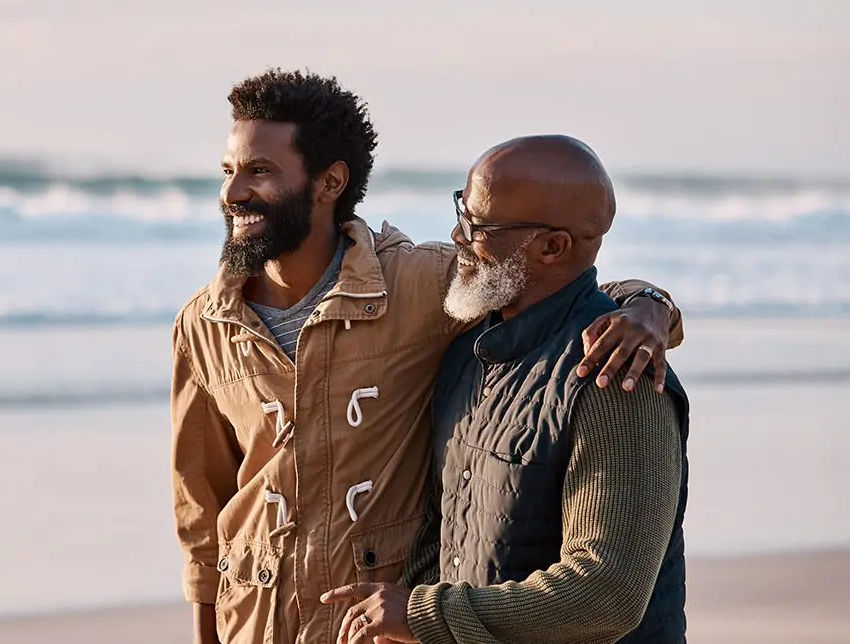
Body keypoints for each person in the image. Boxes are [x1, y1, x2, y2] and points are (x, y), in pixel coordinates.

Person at [171, 72, 682, 644]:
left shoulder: (421, 287)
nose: (232, 191)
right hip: (257, 622)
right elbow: (200, 508)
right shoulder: (203, 324)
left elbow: (559, 291)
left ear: (330, 181)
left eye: (260, 170)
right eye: (228, 170)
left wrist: (649, 307)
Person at [321, 135, 689, 644]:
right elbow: (444, 535)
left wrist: (423, 614)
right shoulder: (466, 352)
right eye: (460, 210)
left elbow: (608, 594)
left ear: (552, 246)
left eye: (478, 226)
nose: (456, 235)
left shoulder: (617, 376)